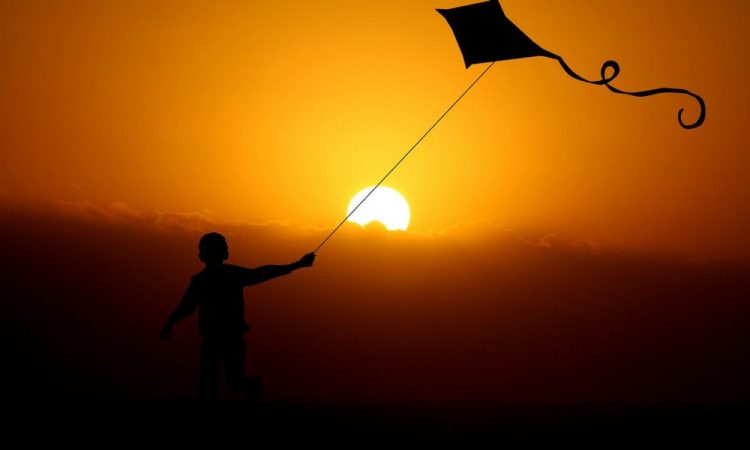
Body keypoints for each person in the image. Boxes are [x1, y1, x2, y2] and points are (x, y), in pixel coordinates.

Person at [160, 232, 315, 401]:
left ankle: (251, 390)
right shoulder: (226, 276)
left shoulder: (204, 280)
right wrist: (297, 265)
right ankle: (253, 389)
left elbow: (187, 307)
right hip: (227, 339)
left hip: (221, 339)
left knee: (217, 385)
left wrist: (170, 323)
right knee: (228, 384)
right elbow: (261, 273)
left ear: (201, 255)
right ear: (223, 253)